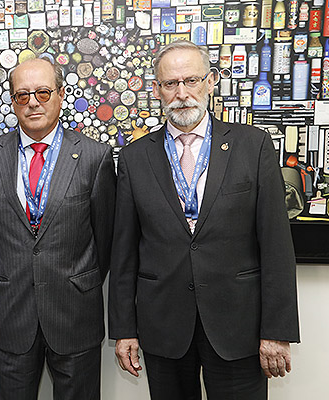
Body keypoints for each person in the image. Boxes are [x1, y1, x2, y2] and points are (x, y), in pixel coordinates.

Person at [109, 39, 300, 400]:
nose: (182, 93)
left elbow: (276, 246)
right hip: (163, 326)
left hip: (238, 326)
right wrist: (124, 330)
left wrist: (276, 330)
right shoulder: (134, 158)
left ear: (211, 82)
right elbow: (124, 254)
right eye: (170, 84)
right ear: (156, 90)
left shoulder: (253, 146)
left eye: (191, 80)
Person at [0, 58, 116, 400]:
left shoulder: (95, 158)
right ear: (12, 101)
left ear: (61, 95)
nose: (33, 102)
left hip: (74, 314)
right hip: (12, 314)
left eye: (42, 92)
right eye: (22, 95)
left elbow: (105, 240)